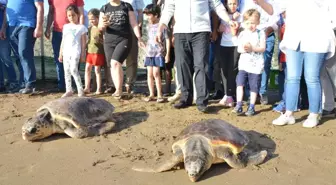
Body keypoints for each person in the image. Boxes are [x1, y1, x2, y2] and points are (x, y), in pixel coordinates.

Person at [255, 0, 335, 127]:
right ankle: (288, 113)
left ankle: (314, 114)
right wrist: (259, 2)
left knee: (312, 78)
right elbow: (275, 10)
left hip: (317, 37)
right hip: (294, 38)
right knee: (292, 78)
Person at [157, 0, 237, 113]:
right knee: (182, 65)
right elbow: (168, 9)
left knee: (201, 65)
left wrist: (229, 20)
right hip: (180, 31)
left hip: (201, 31)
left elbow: (217, 5)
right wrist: (160, 28)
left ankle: (202, 101)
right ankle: (185, 98)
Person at [99, 0, 145, 99]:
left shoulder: (126, 6)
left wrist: (139, 38)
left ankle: (119, 90)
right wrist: (103, 24)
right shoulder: (104, 8)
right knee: (112, 65)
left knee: (115, 62)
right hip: (109, 40)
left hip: (124, 39)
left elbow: (134, 23)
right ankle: (118, 88)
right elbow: (100, 27)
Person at [238, 0, 279, 105]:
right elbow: (242, 18)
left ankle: (262, 92)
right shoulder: (244, 2)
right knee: (247, 64)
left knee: (264, 64)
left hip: (266, 34)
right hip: (249, 35)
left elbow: (277, 20)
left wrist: (265, 32)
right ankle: (249, 94)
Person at [45, 0, 85, 92]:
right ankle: (63, 86)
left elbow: (81, 13)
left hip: (74, 34)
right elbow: (51, 12)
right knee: (59, 59)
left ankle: (76, 86)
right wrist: (47, 28)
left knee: (74, 61)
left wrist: (80, 31)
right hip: (58, 31)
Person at [232, 9, 266, 116]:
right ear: (244, 23)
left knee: (253, 86)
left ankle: (251, 106)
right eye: (248, 23)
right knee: (239, 84)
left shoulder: (261, 33)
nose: (251, 25)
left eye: (253, 23)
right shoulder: (242, 34)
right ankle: (239, 104)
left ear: (258, 22)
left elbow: (262, 48)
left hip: (256, 65)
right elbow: (239, 49)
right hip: (243, 64)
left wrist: (252, 48)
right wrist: (245, 48)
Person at [7, 0, 44, 94]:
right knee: (18, 56)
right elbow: (6, 12)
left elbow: (40, 7)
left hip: (27, 24)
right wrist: (4, 27)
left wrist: (39, 27)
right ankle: (23, 83)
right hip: (11, 26)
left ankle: (30, 84)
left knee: (24, 53)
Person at [143, 4, 170, 103]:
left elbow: (167, 40)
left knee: (156, 73)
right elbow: (146, 38)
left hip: (158, 53)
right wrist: (144, 46)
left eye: (149, 15)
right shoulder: (147, 26)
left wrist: (167, 54)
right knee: (149, 74)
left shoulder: (162, 26)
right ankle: (151, 94)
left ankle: (160, 94)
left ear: (156, 15)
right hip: (149, 53)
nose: (147, 17)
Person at [59, 5, 87, 98]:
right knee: (66, 71)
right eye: (69, 15)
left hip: (76, 51)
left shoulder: (81, 27)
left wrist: (83, 54)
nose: (71, 17)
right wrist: (61, 53)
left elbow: (83, 42)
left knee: (74, 70)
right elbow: (63, 40)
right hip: (66, 52)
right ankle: (69, 90)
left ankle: (80, 90)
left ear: (77, 15)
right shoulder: (66, 27)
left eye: (73, 15)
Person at [217, 0, 241, 107]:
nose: (232, 6)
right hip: (223, 45)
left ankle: (231, 95)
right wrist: (219, 29)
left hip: (235, 45)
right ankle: (227, 94)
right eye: (230, 4)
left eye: (234, 3)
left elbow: (238, 31)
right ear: (226, 4)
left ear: (238, 4)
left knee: (233, 70)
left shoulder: (240, 16)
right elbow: (219, 29)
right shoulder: (223, 15)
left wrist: (235, 21)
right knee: (224, 70)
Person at [121, 0, 145, 94]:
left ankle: (129, 83)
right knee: (116, 58)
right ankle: (114, 84)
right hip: (118, 27)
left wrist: (139, 25)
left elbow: (140, 12)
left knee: (132, 56)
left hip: (132, 26)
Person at [83, 8, 105, 95]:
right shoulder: (90, 28)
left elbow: (104, 41)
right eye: (90, 19)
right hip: (90, 51)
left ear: (98, 18)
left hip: (98, 52)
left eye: (93, 19)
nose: (91, 21)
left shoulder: (101, 29)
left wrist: (99, 40)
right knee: (87, 69)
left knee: (97, 70)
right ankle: (87, 87)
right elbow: (88, 39)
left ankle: (99, 88)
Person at [0, 0, 18, 93]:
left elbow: (7, 8)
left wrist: (3, 28)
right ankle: (1, 84)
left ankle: (13, 82)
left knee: (5, 57)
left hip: (3, 28)